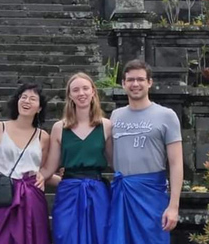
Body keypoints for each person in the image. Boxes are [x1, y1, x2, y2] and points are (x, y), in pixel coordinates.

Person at [108, 59, 183, 244]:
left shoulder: (167, 116)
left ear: (150, 82)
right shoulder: (115, 116)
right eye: (130, 80)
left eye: (140, 79)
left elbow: (176, 163)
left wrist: (173, 206)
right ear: (123, 84)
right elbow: (110, 156)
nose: (135, 84)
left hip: (151, 194)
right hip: (122, 192)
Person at [40, 73, 112, 244]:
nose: (81, 93)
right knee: (65, 236)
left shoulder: (106, 126)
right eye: (76, 90)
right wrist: (28, 176)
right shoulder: (59, 128)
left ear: (93, 91)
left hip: (97, 192)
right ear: (70, 95)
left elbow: (116, 163)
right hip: (69, 192)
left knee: (99, 237)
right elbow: (49, 168)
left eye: (85, 88)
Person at [0, 83, 53, 244]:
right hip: (5, 194)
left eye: (32, 99)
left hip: (32, 197)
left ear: (40, 108)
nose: (26, 101)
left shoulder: (43, 137)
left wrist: (67, 179)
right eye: (23, 97)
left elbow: (42, 172)